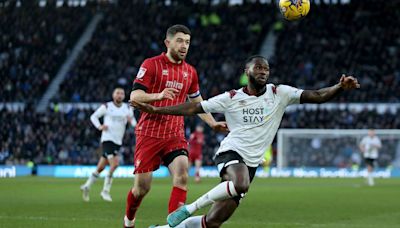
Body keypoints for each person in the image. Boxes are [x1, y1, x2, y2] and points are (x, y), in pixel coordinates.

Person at [132, 55, 360, 228]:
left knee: (213, 222)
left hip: (251, 164)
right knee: (240, 184)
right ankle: (189, 208)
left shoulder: (280, 93)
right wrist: (157, 109)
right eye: (258, 67)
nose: (263, 71)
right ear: (247, 71)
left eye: (266, 68)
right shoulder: (231, 98)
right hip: (231, 153)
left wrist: (340, 87)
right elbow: (194, 107)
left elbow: (317, 95)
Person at [124, 24, 227, 228]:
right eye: (179, 41)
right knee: (142, 189)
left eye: (187, 42)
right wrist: (159, 95)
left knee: (181, 176)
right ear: (168, 42)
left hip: (175, 133)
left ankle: (173, 227)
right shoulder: (151, 64)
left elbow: (198, 103)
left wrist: (213, 123)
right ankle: (129, 220)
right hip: (149, 133)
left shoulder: (190, 72)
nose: (184, 46)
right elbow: (134, 96)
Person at [80, 87, 136, 202]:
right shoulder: (106, 106)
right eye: (117, 93)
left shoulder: (127, 108)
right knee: (115, 164)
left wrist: (132, 122)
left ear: (124, 96)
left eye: (121, 93)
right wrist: (99, 126)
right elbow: (93, 116)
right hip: (107, 139)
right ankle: (105, 191)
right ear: (113, 95)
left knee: (100, 168)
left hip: (118, 141)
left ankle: (86, 186)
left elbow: (134, 122)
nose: (119, 95)